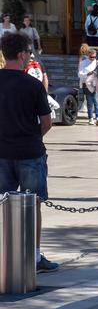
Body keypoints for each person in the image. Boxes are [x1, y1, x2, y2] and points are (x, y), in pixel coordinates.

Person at [0, 32, 58, 273]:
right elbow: (46, 122)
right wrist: (33, 137)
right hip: (30, 153)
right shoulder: (33, 84)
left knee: (3, 204)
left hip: (1, 153)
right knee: (33, 205)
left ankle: (5, 253)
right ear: (22, 54)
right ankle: (33, 257)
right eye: (29, 52)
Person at [78, 49, 98, 126]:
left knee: (96, 101)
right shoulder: (84, 63)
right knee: (89, 101)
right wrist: (87, 74)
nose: (92, 58)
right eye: (91, 57)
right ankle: (91, 117)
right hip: (87, 83)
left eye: (94, 57)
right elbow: (80, 74)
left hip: (96, 83)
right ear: (88, 55)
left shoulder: (97, 62)